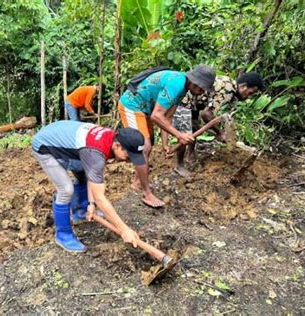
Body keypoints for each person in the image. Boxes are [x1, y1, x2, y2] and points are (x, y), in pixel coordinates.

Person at [32, 120, 145, 252]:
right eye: (128, 156)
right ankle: (63, 235)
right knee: (66, 189)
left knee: (83, 172)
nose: (129, 161)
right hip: (45, 145)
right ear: (117, 145)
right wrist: (124, 229)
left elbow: (92, 175)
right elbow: (100, 197)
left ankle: (80, 211)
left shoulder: (109, 139)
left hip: (62, 136)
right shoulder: (95, 152)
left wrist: (91, 204)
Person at [118, 65, 216, 208]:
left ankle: (137, 183)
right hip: (132, 106)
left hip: (144, 110)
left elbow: (166, 117)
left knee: (147, 147)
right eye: (201, 88)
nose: (202, 92)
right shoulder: (176, 84)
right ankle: (147, 193)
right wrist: (179, 135)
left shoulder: (183, 88)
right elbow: (157, 116)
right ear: (195, 82)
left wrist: (165, 144)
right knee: (144, 146)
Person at [163, 72, 264, 177]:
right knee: (184, 133)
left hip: (195, 103)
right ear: (243, 86)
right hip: (183, 101)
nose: (249, 97)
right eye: (250, 93)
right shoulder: (228, 90)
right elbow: (206, 115)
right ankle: (180, 166)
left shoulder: (231, 89)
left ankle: (190, 154)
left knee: (194, 127)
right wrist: (219, 133)